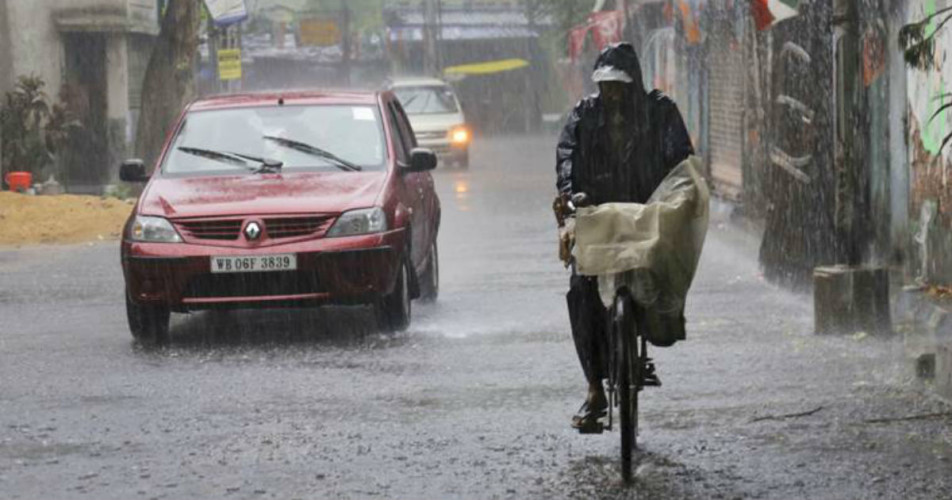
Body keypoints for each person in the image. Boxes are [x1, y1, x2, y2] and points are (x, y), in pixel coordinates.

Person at [555, 42, 695, 431]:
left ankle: (651, 332)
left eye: (619, 85)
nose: (612, 93)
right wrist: (570, 195)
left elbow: (680, 160)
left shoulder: (661, 112)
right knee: (582, 290)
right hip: (597, 214)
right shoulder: (584, 116)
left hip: (646, 214)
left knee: (662, 270)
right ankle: (594, 388)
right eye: (606, 85)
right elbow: (566, 156)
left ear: (633, 84)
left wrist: (677, 198)